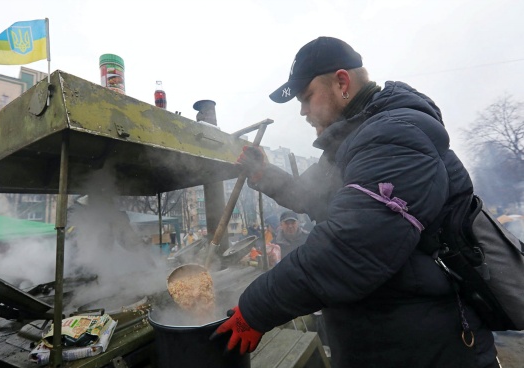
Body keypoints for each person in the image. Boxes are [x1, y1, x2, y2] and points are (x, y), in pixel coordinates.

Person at [212, 36, 498, 367]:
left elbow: (351, 248)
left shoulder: (395, 136)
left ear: (342, 82)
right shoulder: (353, 144)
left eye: (306, 98)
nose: (303, 111)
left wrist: (256, 308)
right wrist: (264, 173)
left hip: (427, 348)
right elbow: (311, 196)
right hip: (384, 342)